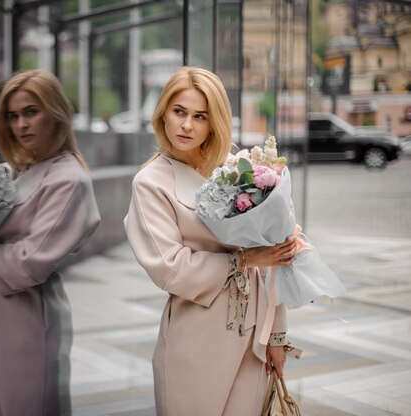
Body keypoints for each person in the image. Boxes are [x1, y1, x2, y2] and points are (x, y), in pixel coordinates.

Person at [124, 66, 298, 415]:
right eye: (179, 112)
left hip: (252, 336)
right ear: (164, 115)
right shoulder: (151, 183)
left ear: (213, 121)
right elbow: (171, 270)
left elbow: (272, 260)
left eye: (199, 116)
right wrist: (246, 260)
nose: (187, 125)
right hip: (196, 336)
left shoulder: (237, 169)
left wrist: (277, 337)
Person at [0, 69, 101, 416]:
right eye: (13, 116)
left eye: (31, 112)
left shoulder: (68, 178)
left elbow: (34, 262)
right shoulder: (20, 170)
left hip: (28, 317)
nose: (21, 125)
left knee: (26, 406)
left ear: (56, 113)